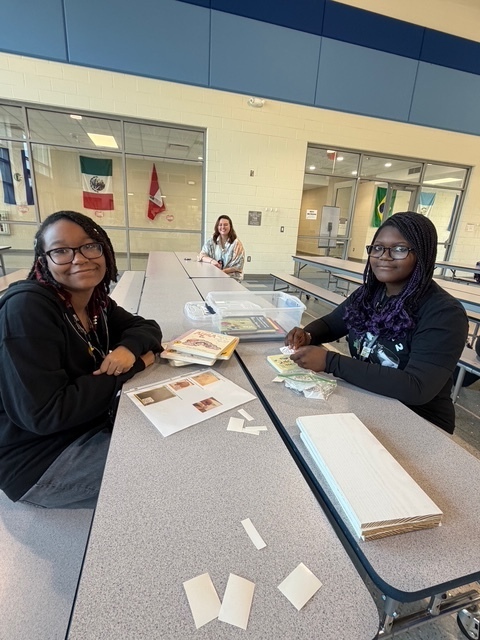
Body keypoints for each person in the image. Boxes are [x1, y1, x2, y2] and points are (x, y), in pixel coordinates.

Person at [0, 211, 163, 509]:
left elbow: (147, 328)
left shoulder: (95, 302)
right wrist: (136, 365)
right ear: (43, 261)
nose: (79, 258)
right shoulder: (27, 310)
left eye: (89, 245)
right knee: (166, 462)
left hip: (85, 426)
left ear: (104, 249)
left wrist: (127, 348)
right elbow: (47, 414)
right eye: (61, 250)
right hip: (40, 460)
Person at [286, 211, 468, 434]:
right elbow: (333, 324)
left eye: (399, 249)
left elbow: (417, 387)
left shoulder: (444, 313)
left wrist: (331, 362)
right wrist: (308, 334)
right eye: (378, 248)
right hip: (369, 401)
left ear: (423, 254)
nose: (384, 256)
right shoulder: (370, 294)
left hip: (419, 423)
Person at [198, 215, 245, 280]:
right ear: (217, 227)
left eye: (225, 225)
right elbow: (202, 255)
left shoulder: (236, 244)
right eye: (220, 225)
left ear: (230, 227)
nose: (223, 227)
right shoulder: (211, 241)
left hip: (231, 278)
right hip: (215, 275)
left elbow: (238, 266)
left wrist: (222, 272)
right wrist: (212, 261)